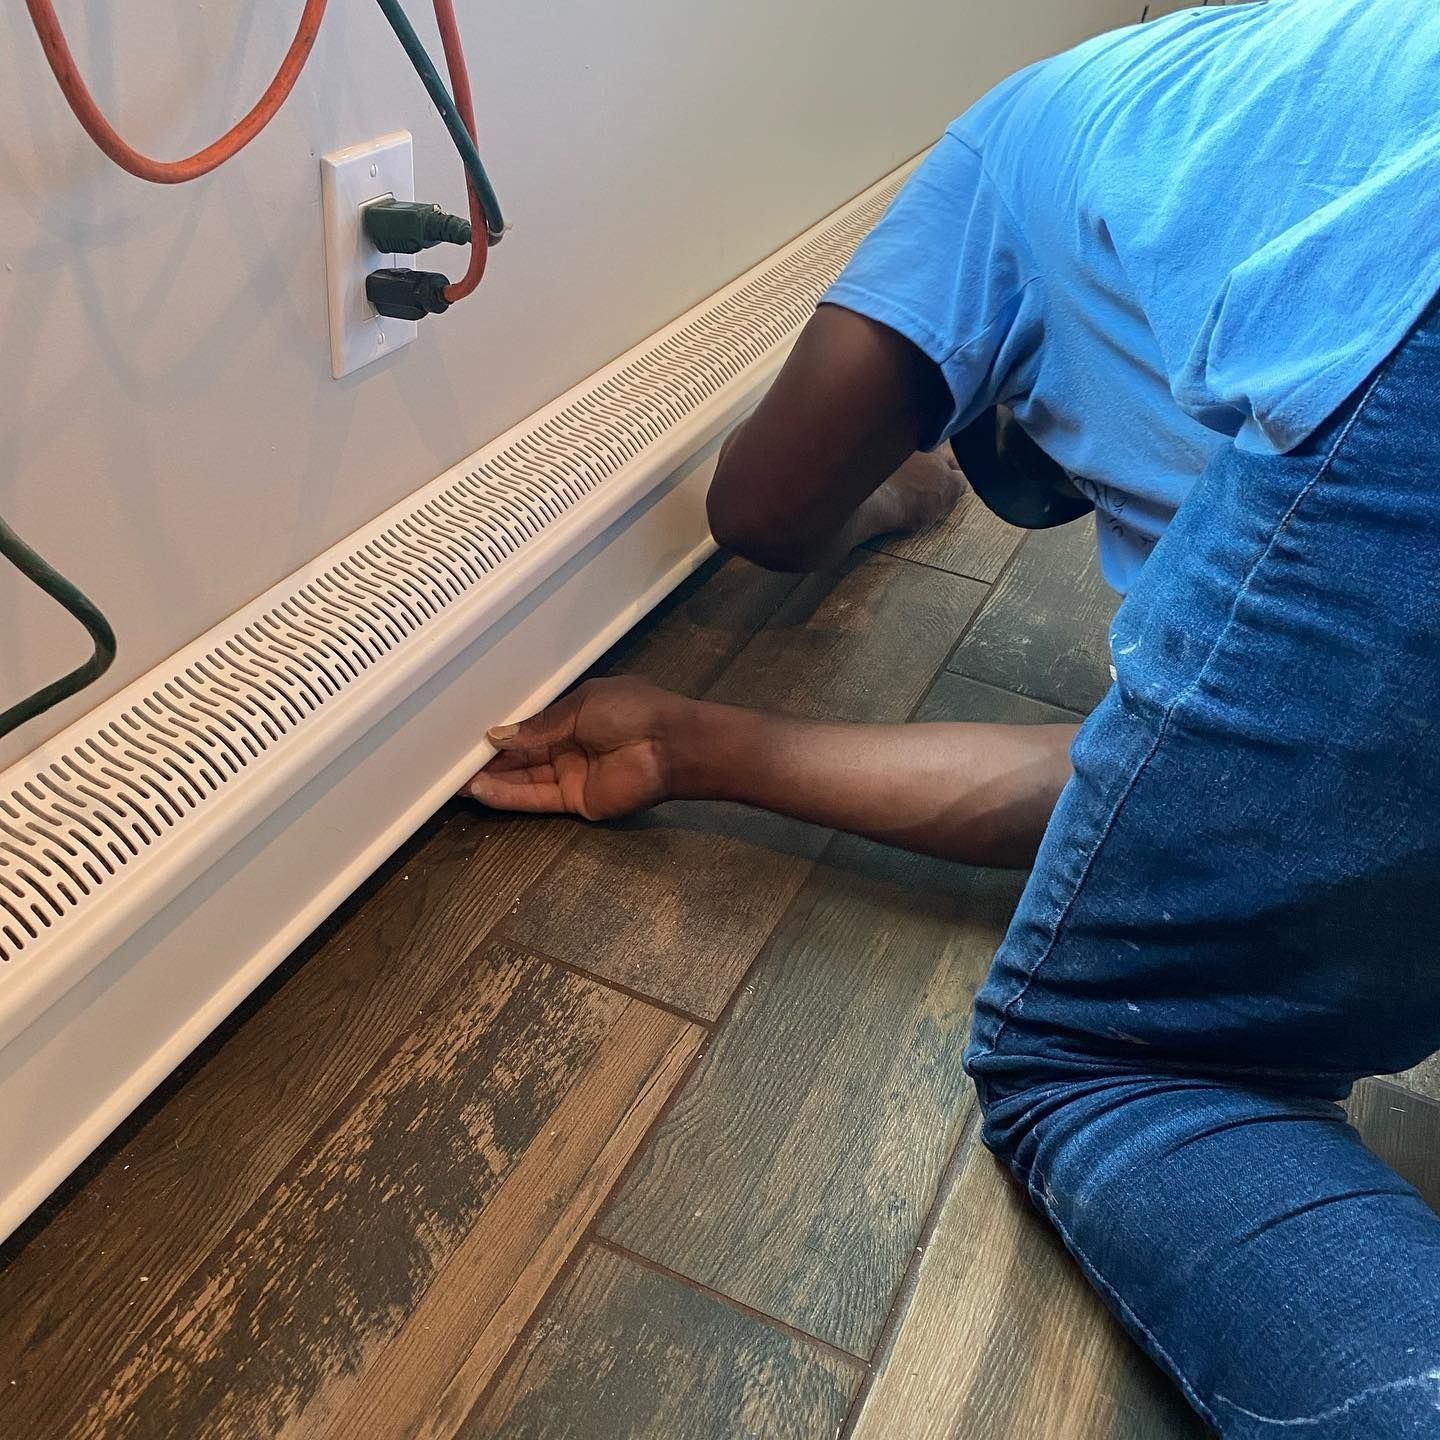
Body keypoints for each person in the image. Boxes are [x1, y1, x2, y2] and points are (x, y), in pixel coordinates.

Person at [466, 1, 1440, 1434]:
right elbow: (1143, 795)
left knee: (1135, 1052)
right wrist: (694, 744)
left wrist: (886, 494)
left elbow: (764, 506)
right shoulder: (1237, 133)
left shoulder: (1007, 141)